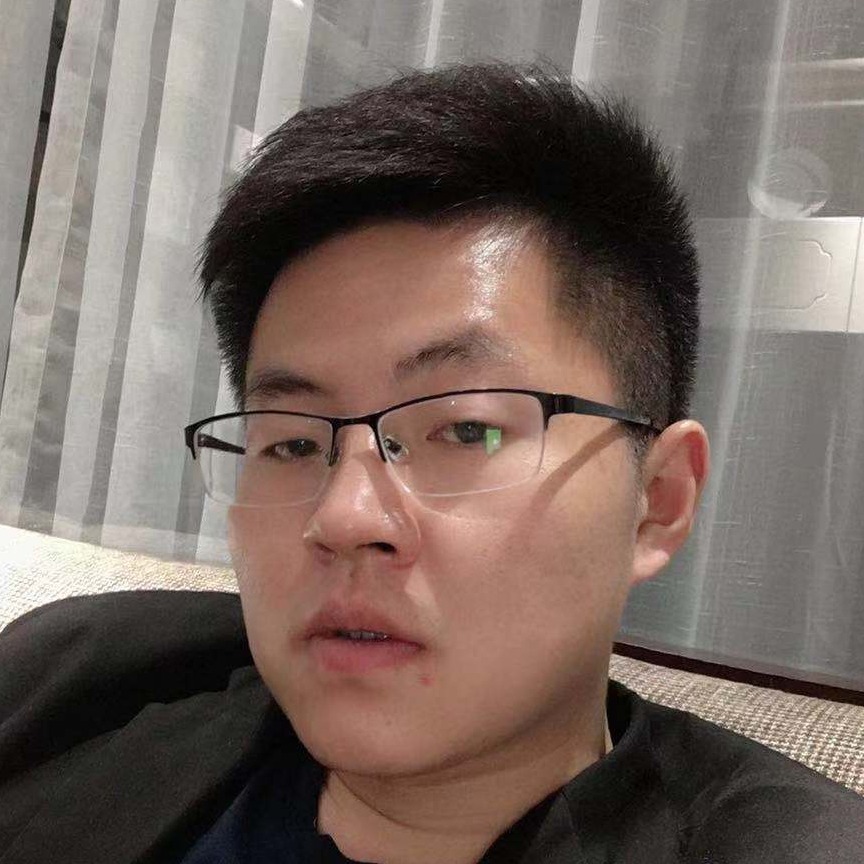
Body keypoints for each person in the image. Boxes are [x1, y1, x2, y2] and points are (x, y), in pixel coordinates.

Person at [0, 63, 861, 864]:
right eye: (292, 443)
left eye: (466, 430)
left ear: (657, 501)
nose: (344, 517)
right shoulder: (82, 680)